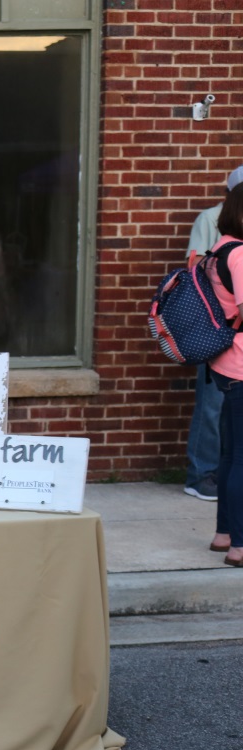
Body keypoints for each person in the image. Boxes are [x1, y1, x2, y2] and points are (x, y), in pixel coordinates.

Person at [184, 165, 243, 501]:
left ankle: (224, 475)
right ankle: (200, 474)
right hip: (217, 330)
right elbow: (195, 269)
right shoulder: (211, 220)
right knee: (211, 406)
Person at [207, 181, 243, 567]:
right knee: (241, 458)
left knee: (231, 453)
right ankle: (240, 546)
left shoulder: (220, 249)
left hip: (224, 363)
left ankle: (224, 535)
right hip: (242, 364)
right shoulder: (242, 255)